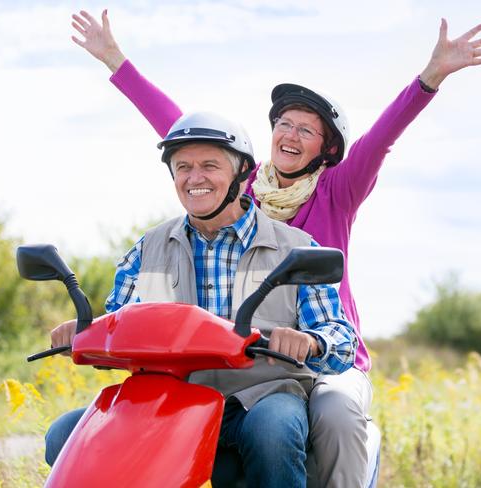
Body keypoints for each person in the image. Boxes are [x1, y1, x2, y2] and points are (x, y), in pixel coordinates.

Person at [70, 10, 481, 487]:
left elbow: (381, 139)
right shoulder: (238, 186)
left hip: (323, 350)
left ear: (326, 149)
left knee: (332, 413)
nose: (290, 135)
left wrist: (430, 78)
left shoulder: (338, 190)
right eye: (284, 124)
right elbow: (184, 134)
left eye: (306, 130)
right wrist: (115, 61)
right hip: (235, 360)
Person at [44, 112, 357, 488]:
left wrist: (311, 340)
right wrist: (85, 333)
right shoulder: (147, 248)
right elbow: (118, 326)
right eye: (183, 167)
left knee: (274, 430)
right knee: (62, 435)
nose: (195, 178)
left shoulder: (295, 247)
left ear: (243, 173)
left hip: (261, 394)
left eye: (210, 165)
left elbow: (340, 339)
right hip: (168, 398)